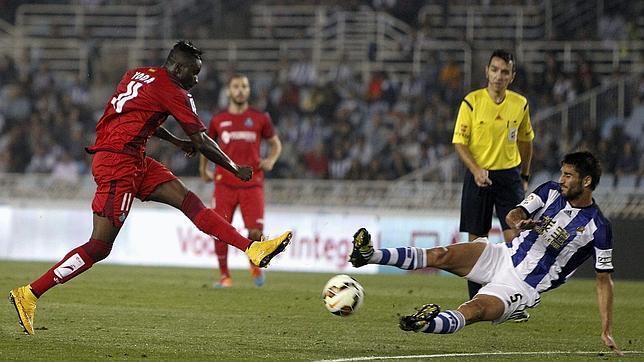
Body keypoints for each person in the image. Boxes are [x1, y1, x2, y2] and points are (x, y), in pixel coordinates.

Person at [8, 41, 293, 336]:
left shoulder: (138, 74)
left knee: (187, 200)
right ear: (178, 68)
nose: (196, 80)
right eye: (194, 73)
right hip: (118, 163)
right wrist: (234, 167)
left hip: (132, 157)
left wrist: (174, 142)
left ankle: (253, 248)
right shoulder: (172, 90)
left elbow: (141, 115)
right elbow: (202, 141)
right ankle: (29, 293)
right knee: (99, 246)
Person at [349, 151, 622, 356]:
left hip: (522, 285)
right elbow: (516, 212)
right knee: (440, 254)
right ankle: (368, 255)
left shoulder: (598, 227)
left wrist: (606, 328)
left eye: (568, 175)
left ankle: (423, 324)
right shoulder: (550, 191)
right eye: (562, 173)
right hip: (501, 255)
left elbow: (603, 281)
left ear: (586, 181)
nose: (561, 180)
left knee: (474, 310)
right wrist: (518, 222)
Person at [452, 49, 534, 300]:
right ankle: (477, 299)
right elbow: (459, 142)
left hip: (508, 177)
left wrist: (525, 176)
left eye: (505, 72)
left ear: (512, 76)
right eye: (495, 70)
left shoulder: (519, 104)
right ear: (487, 71)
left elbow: (526, 140)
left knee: (516, 237)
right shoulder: (471, 102)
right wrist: (475, 170)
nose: (499, 76)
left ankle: (513, 297)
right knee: (478, 242)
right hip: (479, 175)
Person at [199, 74, 282, 288]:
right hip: (224, 182)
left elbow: (275, 144)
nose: (240, 90)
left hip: (252, 183)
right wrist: (203, 170)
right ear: (229, 90)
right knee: (220, 230)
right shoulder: (218, 119)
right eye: (236, 86)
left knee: (255, 231)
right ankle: (225, 276)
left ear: (248, 90)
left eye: (244, 86)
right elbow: (206, 145)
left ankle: (254, 263)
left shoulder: (260, 117)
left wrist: (271, 160)